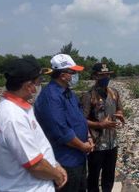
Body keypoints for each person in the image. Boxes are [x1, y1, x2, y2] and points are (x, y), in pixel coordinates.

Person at [0, 58, 67, 192]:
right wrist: (57, 175)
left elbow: (37, 145)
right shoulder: (13, 117)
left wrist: (55, 164)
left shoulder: (20, 109)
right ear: (28, 85)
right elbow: (35, 165)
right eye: (39, 82)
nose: (39, 86)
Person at [34, 54, 94, 192]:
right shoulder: (51, 97)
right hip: (65, 160)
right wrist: (82, 146)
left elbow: (80, 118)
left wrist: (89, 137)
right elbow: (60, 130)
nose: (75, 75)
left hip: (79, 156)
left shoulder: (69, 93)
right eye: (73, 72)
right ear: (62, 75)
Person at [81, 63, 125, 192]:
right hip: (96, 144)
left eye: (107, 74)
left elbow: (120, 109)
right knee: (93, 176)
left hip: (112, 143)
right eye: (102, 75)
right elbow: (81, 120)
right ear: (95, 76)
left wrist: (120, 115)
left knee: (109, 174)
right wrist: (100, 124)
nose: (106, 77)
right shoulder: (88, 96)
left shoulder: (114, 93)